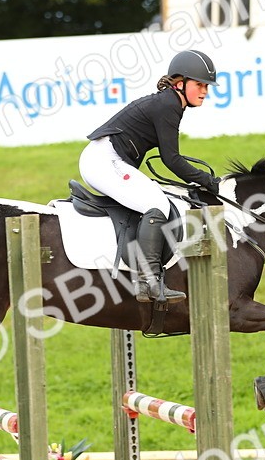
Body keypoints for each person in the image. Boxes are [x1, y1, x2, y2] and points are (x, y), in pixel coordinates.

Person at [80, 49, 221, 303]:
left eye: (206, 86)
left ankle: (147, 280)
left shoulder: (169, 102)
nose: (205, 91)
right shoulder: (169, 105)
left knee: (154, 198)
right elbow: (172, 160)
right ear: (180, 83)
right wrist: (207, 180)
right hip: (103, 161)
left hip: (106, 160)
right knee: (156, 204)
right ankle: (148, 282)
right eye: (200, 85)